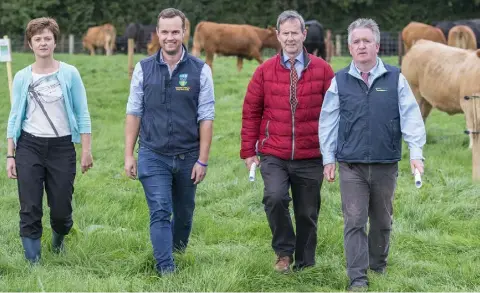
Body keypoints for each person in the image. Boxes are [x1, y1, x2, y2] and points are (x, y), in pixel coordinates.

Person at [319, 18, 426, 291]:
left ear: (377, 45)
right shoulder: (339, 81)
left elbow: (412, 117)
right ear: (350, 47)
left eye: (367, 40)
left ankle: (377, 265)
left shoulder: (395, 78)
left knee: (382, 221)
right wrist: (328, 158)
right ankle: (358, 277)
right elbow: (328, 121)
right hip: (351, 165)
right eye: (356, 41)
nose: (361, 45)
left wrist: (416, 153)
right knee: (354, 220)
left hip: (385, 163)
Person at [240, 10, 334, 273]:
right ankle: (283, 253)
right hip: (274, 153)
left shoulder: (323, 70)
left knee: (307, 212)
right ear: (278, 36)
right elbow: (251, 112)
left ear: (304, 34)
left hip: (311, 154)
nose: (291, 38)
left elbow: (334, 113)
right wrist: (249, 150)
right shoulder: (264, 71)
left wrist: (332, 154)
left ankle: (305, 263)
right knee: (275, 197)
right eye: (286, 34)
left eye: (295, 33)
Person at [124, 8, 215, 275]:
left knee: (184, 215)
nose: (170, 37)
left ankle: (176, 252)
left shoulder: (201, 70)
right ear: (157, 33)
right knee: (161, 210)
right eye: (165, 32)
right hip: (153, 153)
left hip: (188, 155)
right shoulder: (143, 69)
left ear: (184, 32)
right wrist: (129, 155)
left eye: (175, 31)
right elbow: (133, 112)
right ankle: (166, 269)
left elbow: (207, 117)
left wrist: (202, 159)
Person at [6, 17, 93, 264]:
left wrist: (86, 150)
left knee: (61, 210)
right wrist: (10, 155)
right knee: (30, 207)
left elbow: (82, 112)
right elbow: (14, 118)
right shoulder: (23, 77)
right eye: (37, 39)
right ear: (30, 45)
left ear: (55, 42)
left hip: (62, 147)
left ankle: (58, 240)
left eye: (47, 38)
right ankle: (33, 263)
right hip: (29, 147)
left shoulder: (70, 74)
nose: (43, 43)